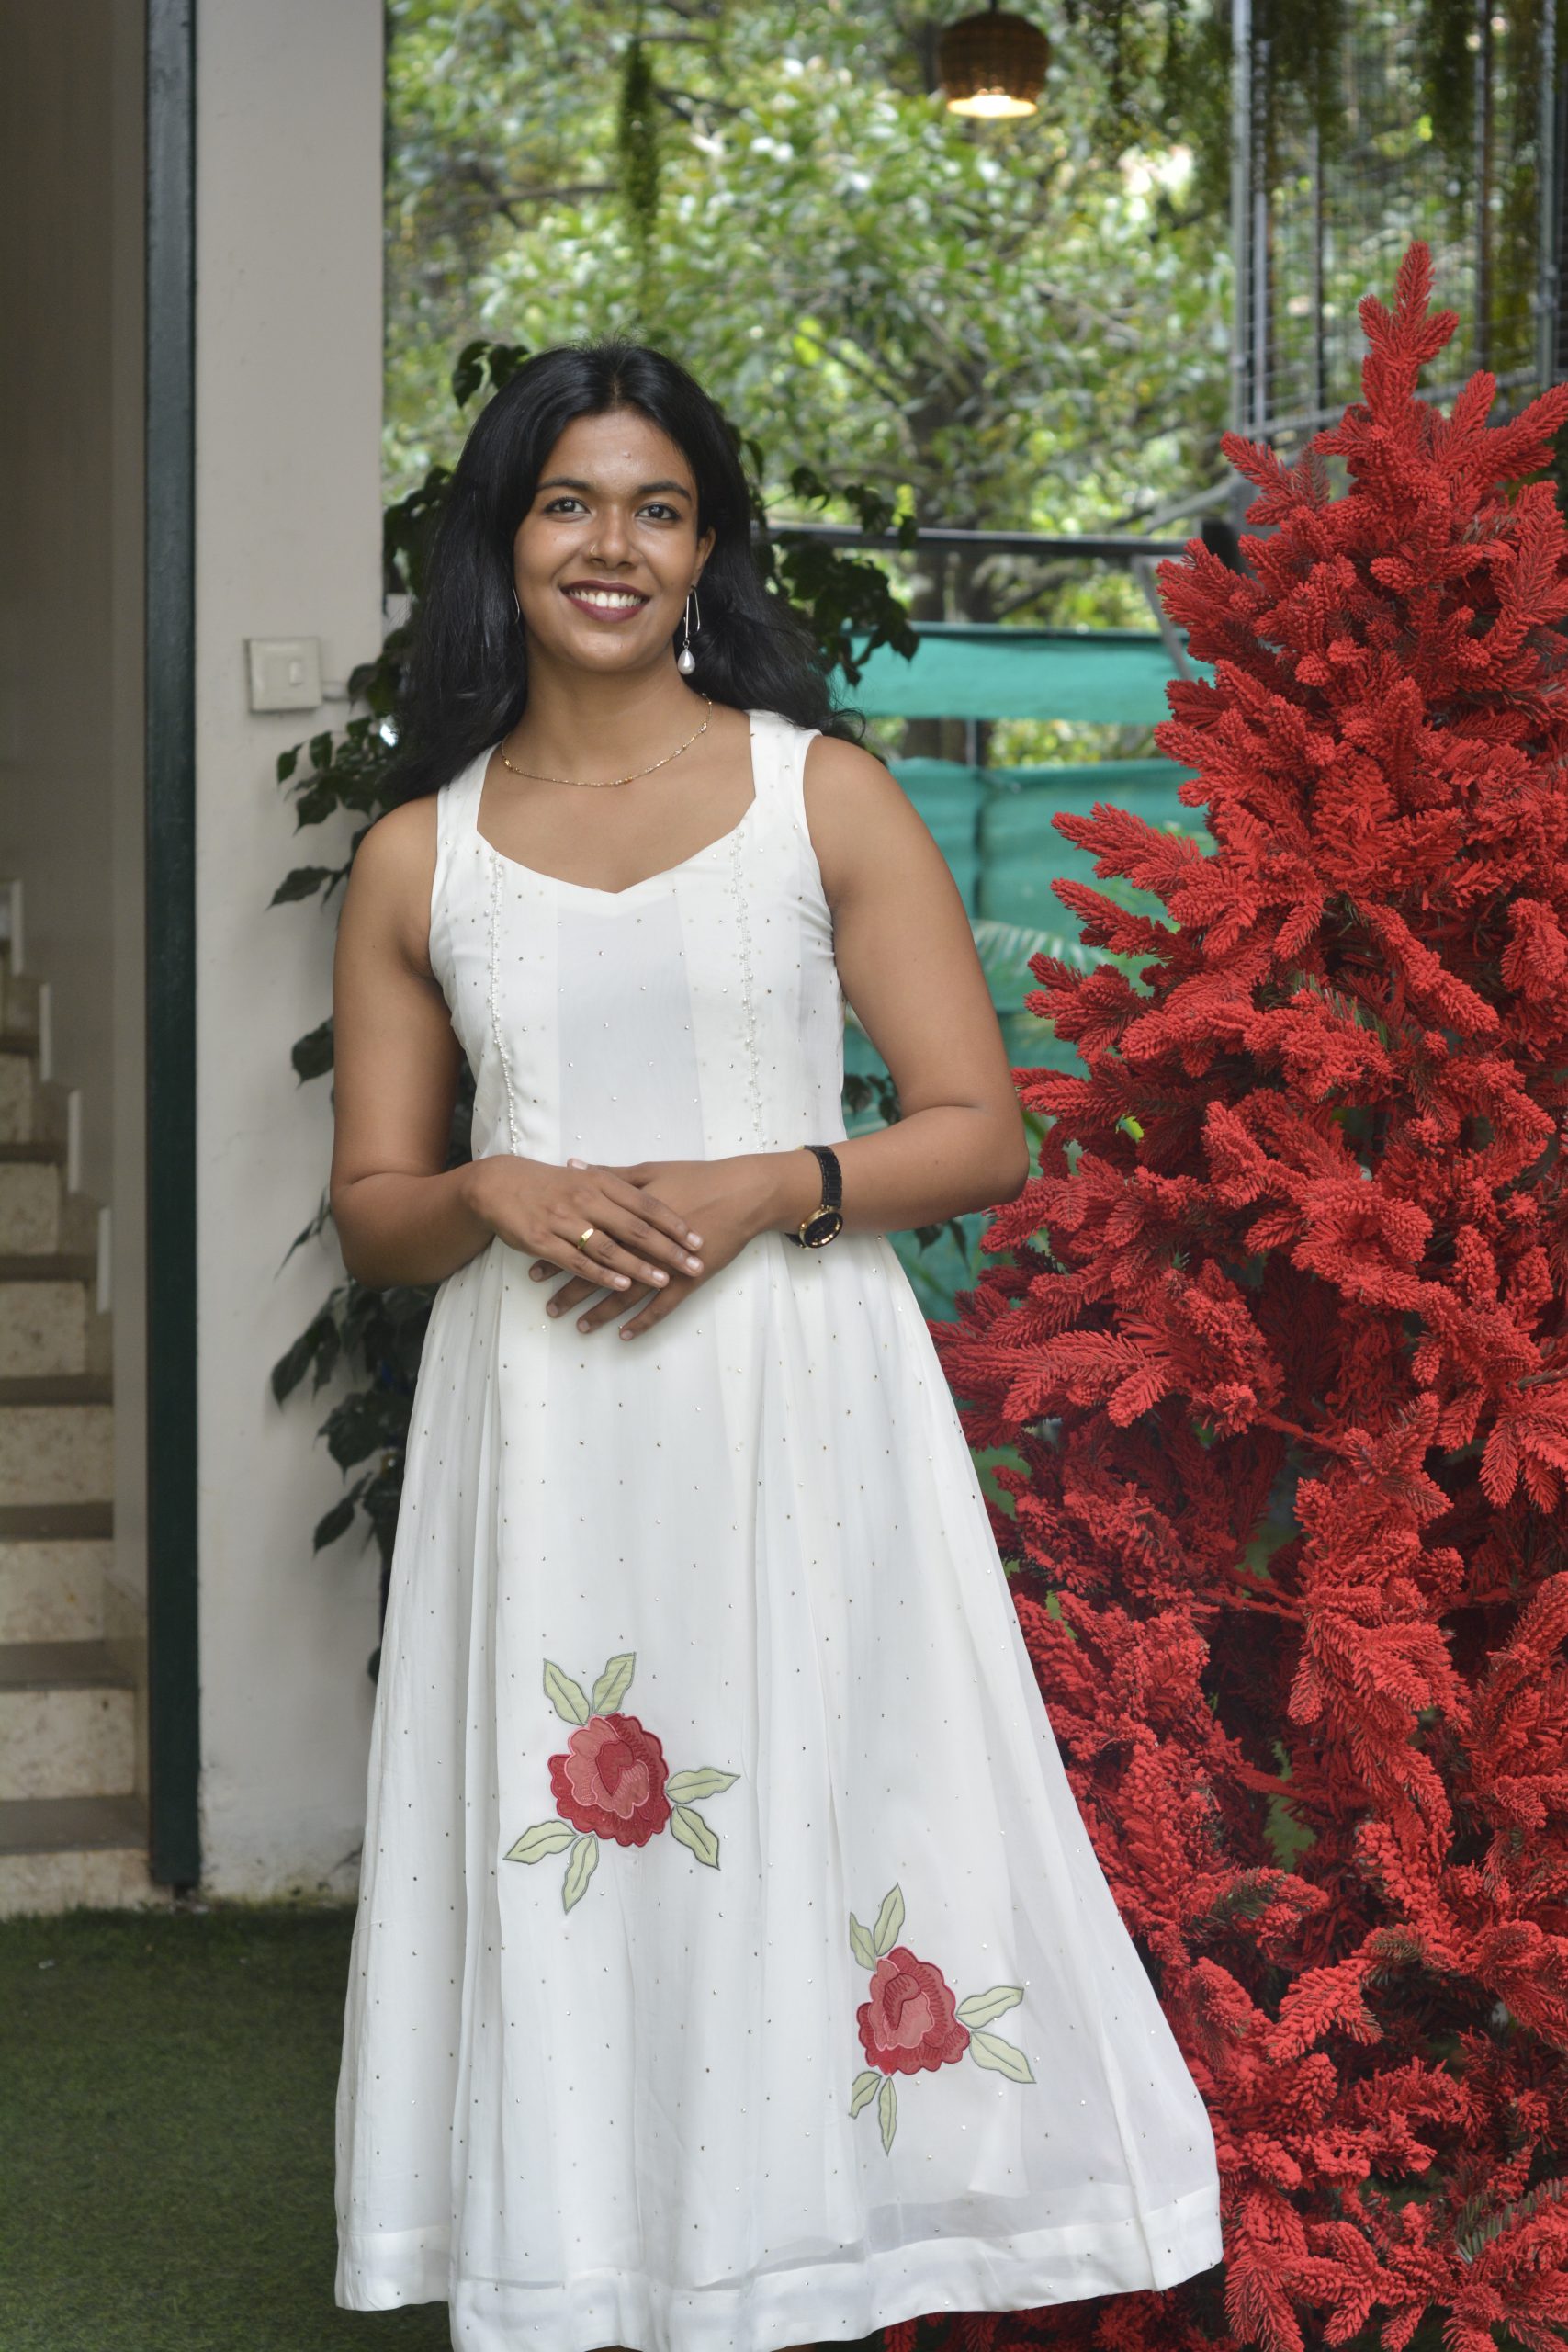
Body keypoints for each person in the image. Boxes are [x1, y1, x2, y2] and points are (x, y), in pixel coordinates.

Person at [329, 339, 1223, 2352]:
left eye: (656, 507)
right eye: (568, 503)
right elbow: (376, 1207)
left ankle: (821, 2250)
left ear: (708, 544)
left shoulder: (818, 795)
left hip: (797, 1395)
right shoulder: (419, 854)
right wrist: (489, 1187)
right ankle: (586, 2258)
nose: (612, 544)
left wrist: (770, 1181)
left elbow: (978, 1130)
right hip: (541, 1419)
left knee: (830, 1800)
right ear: (503, 541)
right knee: (580, 1834)